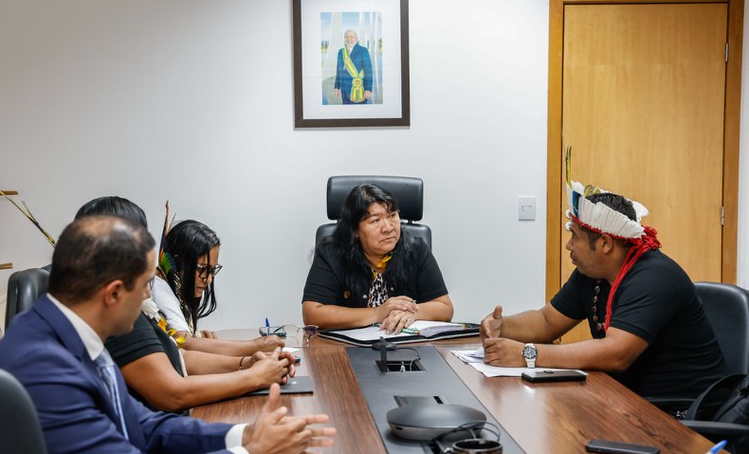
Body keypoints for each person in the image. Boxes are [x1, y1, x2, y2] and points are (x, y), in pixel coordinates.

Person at [0, 215, 335, 454]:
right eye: (147, 283)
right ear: (114, 294)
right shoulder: (44, 369)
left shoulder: (74, 336)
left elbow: (144, 426)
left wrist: (244, 435)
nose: (152, 296)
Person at [480, 149, 727, 399]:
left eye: (574, 236)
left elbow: (616, 354)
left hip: (683, 416)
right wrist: (504, 327)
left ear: (605, 243)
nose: (568, 245)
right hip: (627, 402)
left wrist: (527, 355)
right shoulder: (592, 272)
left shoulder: (655, 277)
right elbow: (547, 322)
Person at [76, 196, 296, 412]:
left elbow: (179, 356)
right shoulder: (116, 315)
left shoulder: (121, 309)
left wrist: (246, 363)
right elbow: (174, 385)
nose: (148, 290)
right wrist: (253, 372)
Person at [302, 184, 454, 332]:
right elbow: (312, 314)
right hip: (345, 350)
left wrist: (411, 312)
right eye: (375, 220)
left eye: (392, 215)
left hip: (405, 348)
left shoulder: (415, 249)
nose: (388, 228)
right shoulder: (332, 253)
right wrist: (377, 313)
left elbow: (445, 308)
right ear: (355, 230)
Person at [154, 219, 285, 357]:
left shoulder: (174, 289)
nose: (209, 279)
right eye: (203, 269)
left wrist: (198, 338)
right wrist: (256, 346)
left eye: (212, 270)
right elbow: (184, 343)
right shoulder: (160, 288)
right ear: (179, 262)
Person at [333, 29, 373, 104]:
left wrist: (368, 89)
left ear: (357, 39)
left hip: (360, 89)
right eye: (347, 37)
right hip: (344, 89)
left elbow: (368, 71)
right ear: (344, 39)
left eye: (352, 37)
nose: (349, 39)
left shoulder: (363, 50)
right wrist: (337, 87)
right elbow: (339, 71)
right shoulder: (341, 52)